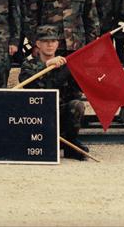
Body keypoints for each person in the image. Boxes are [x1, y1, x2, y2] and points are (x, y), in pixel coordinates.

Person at [19, 25, 86, 160]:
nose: (50, 45)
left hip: (59, 111)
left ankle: (70, 144)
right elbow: (26, 83)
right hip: (38, 112)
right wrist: (47, 65)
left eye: (53, 41)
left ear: (58, 44)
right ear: (38, 44)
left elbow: (76, 92)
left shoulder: (66, 65)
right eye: (45, 41)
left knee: (77, 105)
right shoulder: (29, 64)